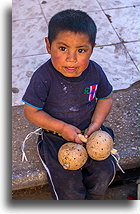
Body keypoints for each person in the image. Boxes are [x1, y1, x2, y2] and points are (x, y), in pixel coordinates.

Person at [22, 9, 117, 200]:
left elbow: (105, 98)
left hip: (89, 132)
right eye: (63, 48)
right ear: (48, 45)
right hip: (56, 138)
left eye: (81, 50)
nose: (71, 58)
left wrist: (96, 124)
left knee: (105, 171)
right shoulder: (43, 78)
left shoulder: (95, 72)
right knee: (68, 187)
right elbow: (31, 112)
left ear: (92, 48)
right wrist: (62, 127)